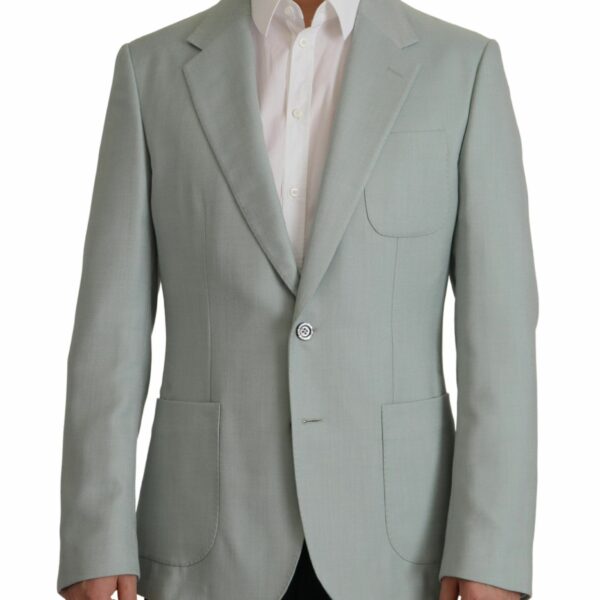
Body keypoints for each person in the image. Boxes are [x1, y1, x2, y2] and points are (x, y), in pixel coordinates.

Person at [57, 0, 538, 598]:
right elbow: (109, 332)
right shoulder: (151, 70)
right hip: (205, 544)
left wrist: (492, 551)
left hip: (403, 550)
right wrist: (94, 536)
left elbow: (500, 337)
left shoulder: (461, 67)